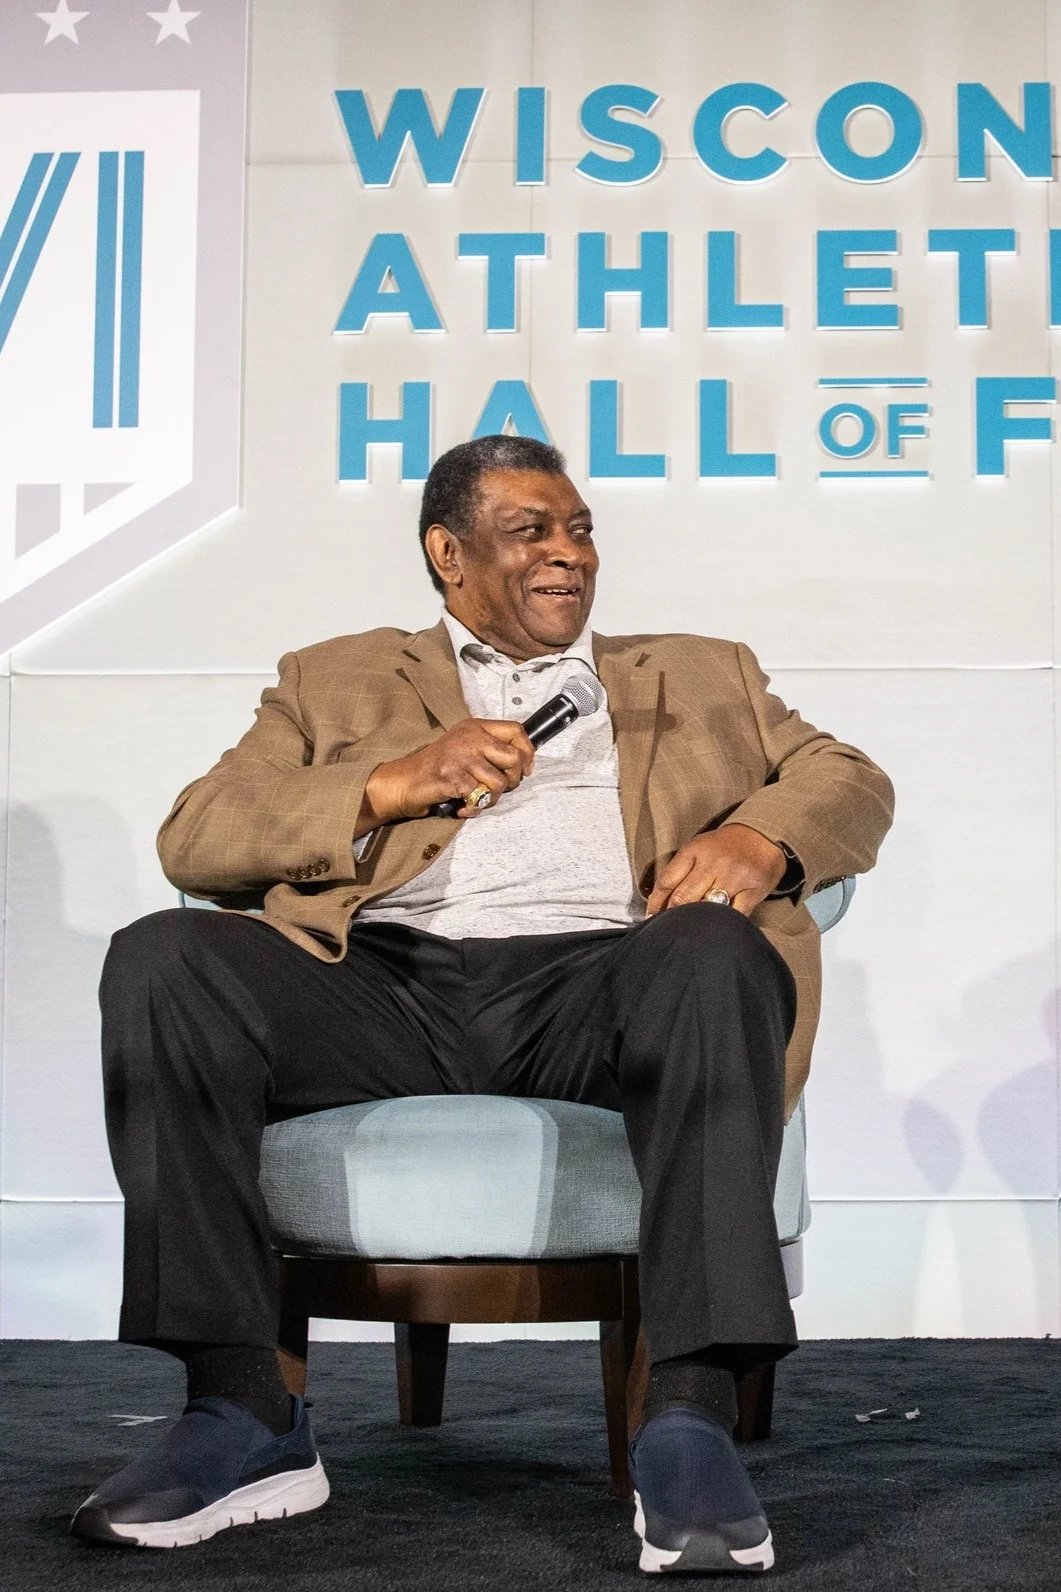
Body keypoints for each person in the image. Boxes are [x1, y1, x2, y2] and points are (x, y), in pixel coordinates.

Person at [72, 435, 893, 1572]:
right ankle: (240, 1408)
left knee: (709, 949)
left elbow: (849, 776)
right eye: (530, 531)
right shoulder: (335, 674)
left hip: (602, 981)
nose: (568, 554)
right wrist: (384, 783)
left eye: (580, 529)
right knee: (164, 957)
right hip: (381, 984)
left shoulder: (702, 670)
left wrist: (759, 835)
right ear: (447, 554)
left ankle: (688, 1414)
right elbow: (197, 836)